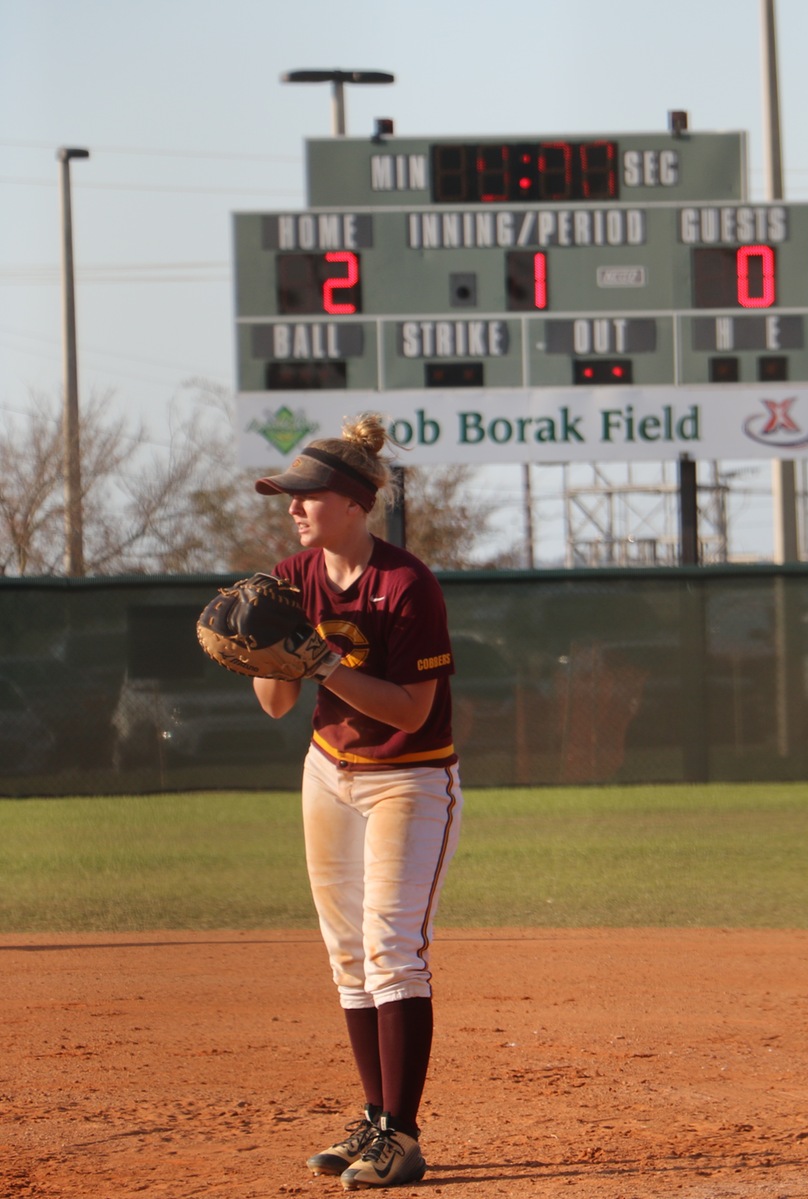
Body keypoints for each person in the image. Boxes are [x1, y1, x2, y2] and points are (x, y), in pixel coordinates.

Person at [250, 415, 461, 1189]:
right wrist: (267, 650)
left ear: (349, 502)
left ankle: (401, 1136)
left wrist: (322, 659)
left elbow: (409, 710)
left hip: (410, 776)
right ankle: (374, 1120)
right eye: (289, 498)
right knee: (347, 954)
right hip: (327, 773)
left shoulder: (407, 584)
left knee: (392, 946)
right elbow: (276, 703)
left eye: (304, 496)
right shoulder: (290, 575)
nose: (293, 509)